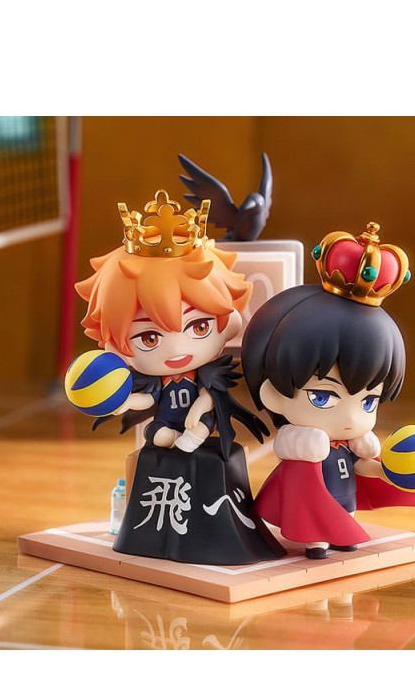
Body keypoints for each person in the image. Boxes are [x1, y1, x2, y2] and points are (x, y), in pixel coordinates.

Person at [75, 189, 283, 565]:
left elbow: (208, 397)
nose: (177, 349)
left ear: (227, 321)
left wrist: (198, 414)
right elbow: (145, 400)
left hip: (195, 423)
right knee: (158, 436)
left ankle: (193, 434)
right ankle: (181, 436)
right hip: (167, 424)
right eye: (149, 337)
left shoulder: (206, 374)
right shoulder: (156, 381)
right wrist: (122, 399)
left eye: (199, 326)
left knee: (199, 423)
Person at [241, 221, 415, 559]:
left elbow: (364, 469)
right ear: (274, 394)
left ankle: (342, 534)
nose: (351, 418)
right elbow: (294, 469)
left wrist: (388, 470)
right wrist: (300, 444)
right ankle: (317, 542)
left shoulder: (351, 443)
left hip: (346, 500)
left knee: (346, 526)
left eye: (369, 401)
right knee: (318, 534)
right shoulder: (303, 444)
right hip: (313, 505)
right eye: (322, 397)